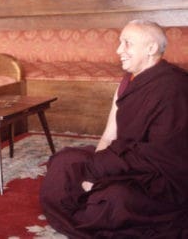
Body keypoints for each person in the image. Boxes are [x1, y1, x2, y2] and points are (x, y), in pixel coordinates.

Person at [40, 20, 188, 238]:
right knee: (63, 163)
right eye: (120, 43)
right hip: (122, 159)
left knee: (113, 201)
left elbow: (164, 155)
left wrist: (102, 172)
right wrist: (95, 168)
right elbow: (111, 133)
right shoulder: (128, 81)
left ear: (151, 48)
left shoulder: (174, 87)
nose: (119, 51)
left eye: (127, 43)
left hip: (160, 176)